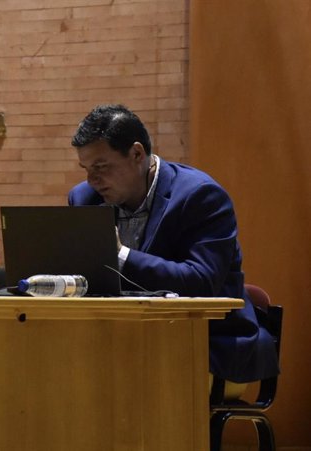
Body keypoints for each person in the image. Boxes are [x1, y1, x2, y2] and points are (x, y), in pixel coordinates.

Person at [68, 104, 278, 384]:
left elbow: (202, 283)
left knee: (120, 376)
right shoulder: (84, 199)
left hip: (206, 343)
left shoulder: (200, 197)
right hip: (121, 339)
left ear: (137, 154)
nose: (92, 180)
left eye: (101, 167)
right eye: (86, 169)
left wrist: (120, 254)